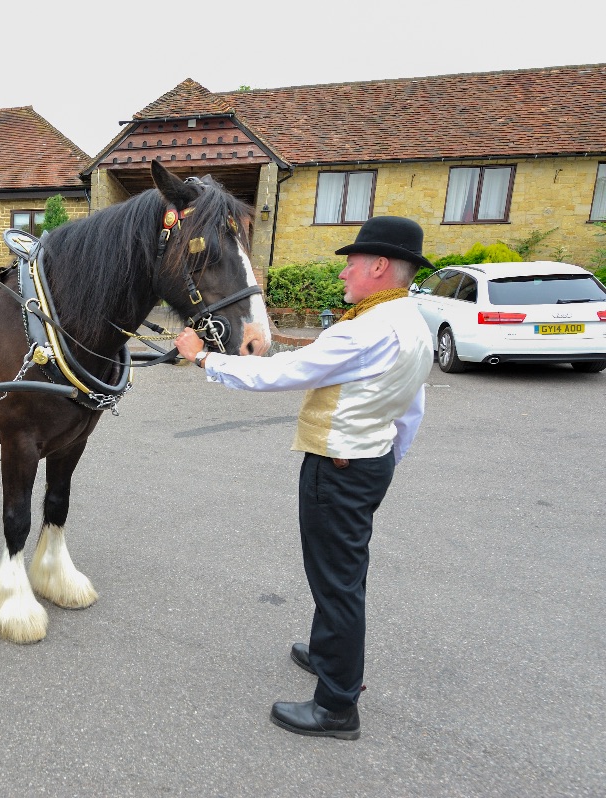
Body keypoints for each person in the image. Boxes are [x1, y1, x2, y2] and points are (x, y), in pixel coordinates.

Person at [175, 216, 434, 741]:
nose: (344, 273)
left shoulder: (367, 329)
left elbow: (282, 374)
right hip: (367, 461)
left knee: (336, 582)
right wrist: (385, 457)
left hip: (339, 467)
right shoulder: (412, 322)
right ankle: (326, 655)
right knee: (342, 573)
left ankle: (337, 705)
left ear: (379, 267)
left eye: (353, 263)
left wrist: (203, 358)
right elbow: (412, 407)